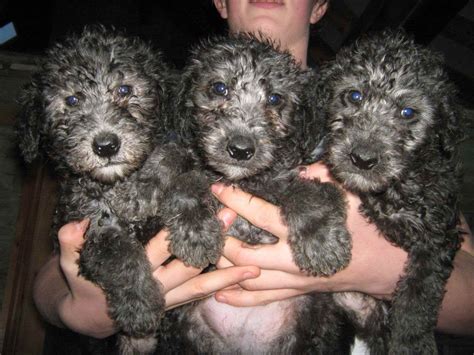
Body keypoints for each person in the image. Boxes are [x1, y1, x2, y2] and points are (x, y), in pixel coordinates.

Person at [33, 0, 474, 342]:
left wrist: (383, 273)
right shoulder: (155, 113)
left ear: (320, 5)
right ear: (220, 3)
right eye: (218, 90)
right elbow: (60, 263)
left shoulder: (373, 115)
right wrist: (75, 308)